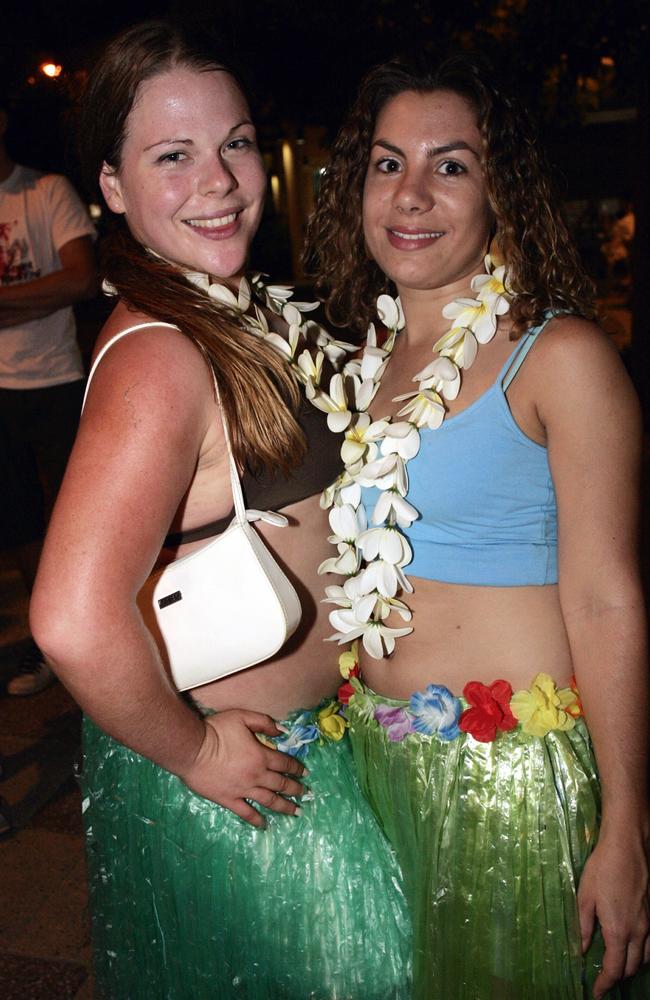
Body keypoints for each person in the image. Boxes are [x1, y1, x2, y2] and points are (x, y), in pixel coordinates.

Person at [29, 22, 410, 1000]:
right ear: (109, 187)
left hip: (291, 766)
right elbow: (70, 619)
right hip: (252, 789)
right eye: (171, 156)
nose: (220, 179)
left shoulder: (228, 312)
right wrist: (195, 750)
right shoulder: (161, 351)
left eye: (234, 142)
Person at [306, 57, 650, 999]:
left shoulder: (560, 357)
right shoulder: (362, 361)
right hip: (375, 767)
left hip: (509, 786)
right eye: (386, 164)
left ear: (503, 188)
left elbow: (608, 599)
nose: (410, 194)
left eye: (449, 166)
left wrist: (628, 825)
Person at [0, 95, 98, 695]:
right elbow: (58, 284)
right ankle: (45, 643)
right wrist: (41, 293)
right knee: (18, 524)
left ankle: (89, 632)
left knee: (77, 517)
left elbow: (82, 277)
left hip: (58, 377)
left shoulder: (45, 191)